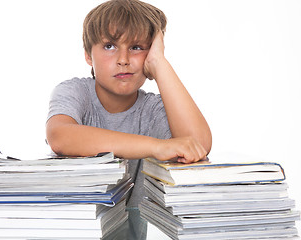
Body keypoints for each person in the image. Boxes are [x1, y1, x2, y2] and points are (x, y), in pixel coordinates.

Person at [46, 0, 212, 239]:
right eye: (110, 46)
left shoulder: (152, 108)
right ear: (88, 55)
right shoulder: (74, 92)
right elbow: (60, 136)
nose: (123, 59)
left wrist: (160, 64)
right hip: (70, 229)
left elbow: (197, 145)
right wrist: (157, 146)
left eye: (136, 47)